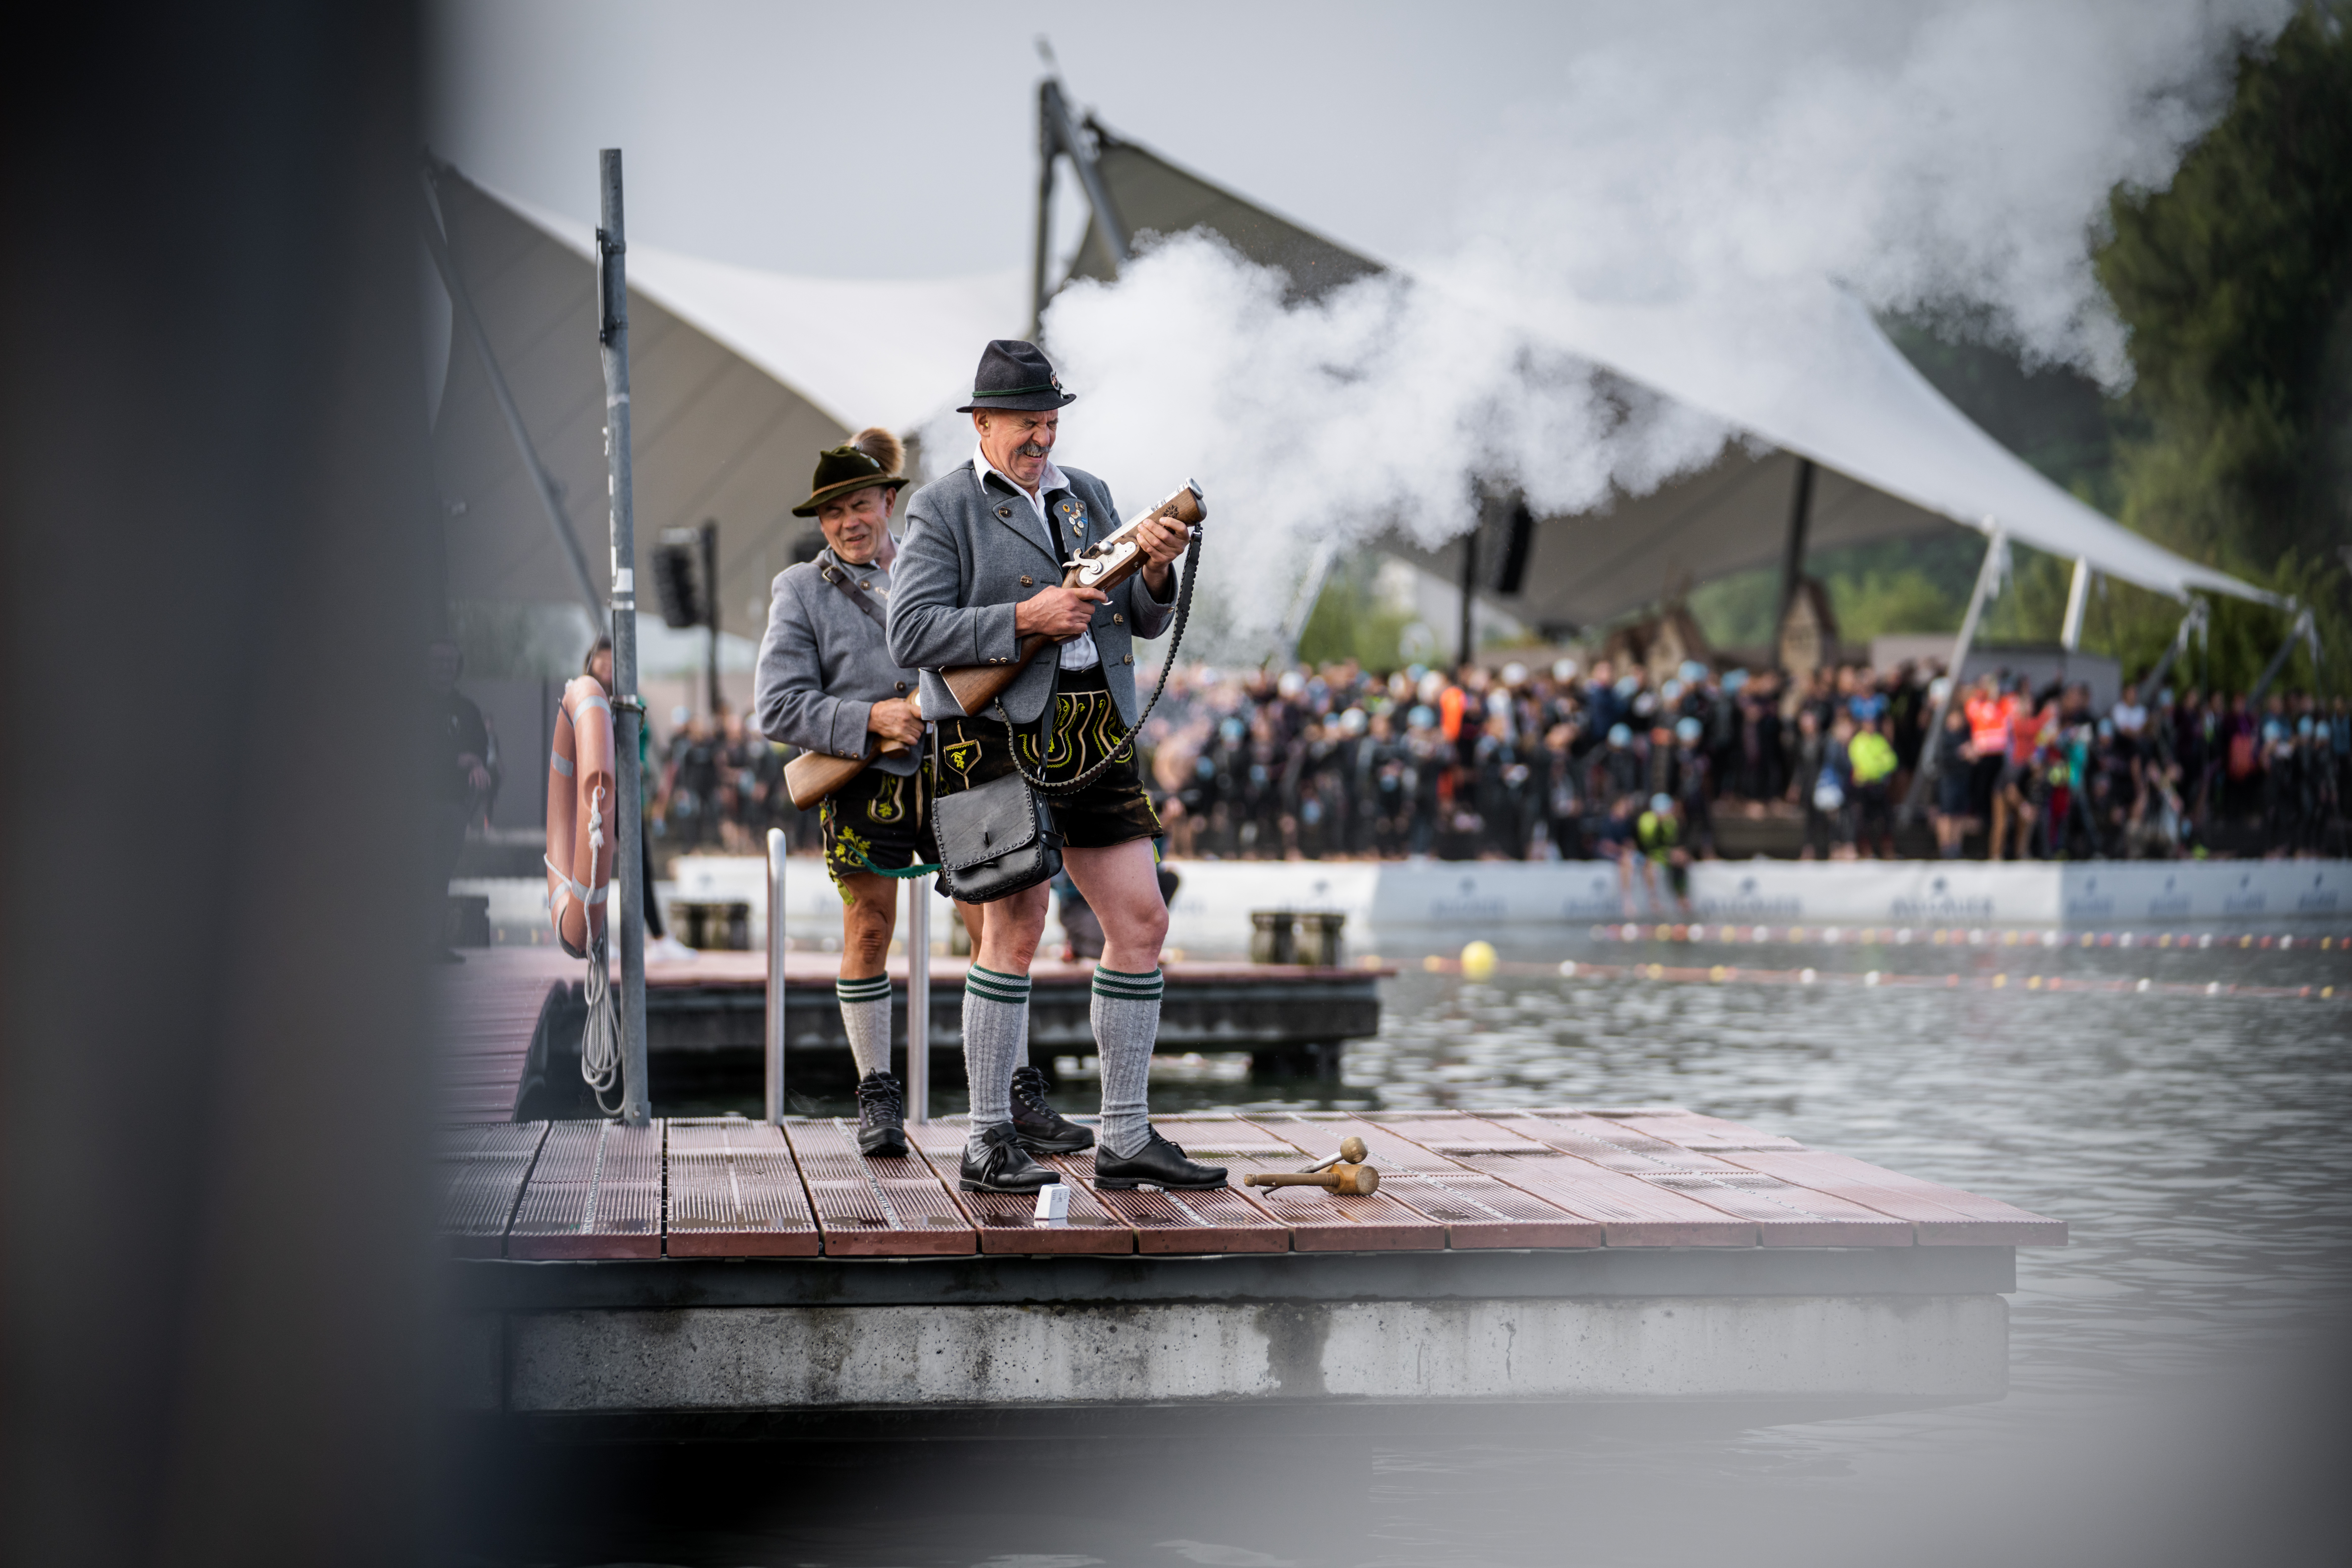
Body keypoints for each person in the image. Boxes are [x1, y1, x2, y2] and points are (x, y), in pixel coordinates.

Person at [888, 339, 1222, 1196]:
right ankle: (988, 1135)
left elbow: (1140, 620)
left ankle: (1123, 1134)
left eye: (1049, 422)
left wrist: (1154, 564)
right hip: (992, 731)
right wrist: (1026, 617)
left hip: (1092, 723)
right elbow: (912, 633)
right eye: (1026, 425)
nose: (1041, 440)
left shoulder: (1090, 496)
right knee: (1014, 929)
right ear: (983, 423)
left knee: (1142, 921)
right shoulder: (941, 508)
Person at [753, 427, 1024, 1157]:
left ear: (888, 502)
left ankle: (1009, 1098)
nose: (847, 522)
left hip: (960, 775)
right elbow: (777, 708)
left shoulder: (939, 567)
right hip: (864, 784)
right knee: (868, 933)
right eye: (833, 511)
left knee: (995, 931)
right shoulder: (799, 591)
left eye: (859, 504)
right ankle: (877, 1094)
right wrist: (868, 719)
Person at [427, 639, 494, 962]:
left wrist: (478, 767)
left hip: (453, 806)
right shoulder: (411, 708)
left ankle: (434, 944)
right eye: (438, 662)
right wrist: (457, 762)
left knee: (442, 876)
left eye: (450, 663)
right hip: (418, 805)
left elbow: (481, 752)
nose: (445, 669)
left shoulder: (468, 711)